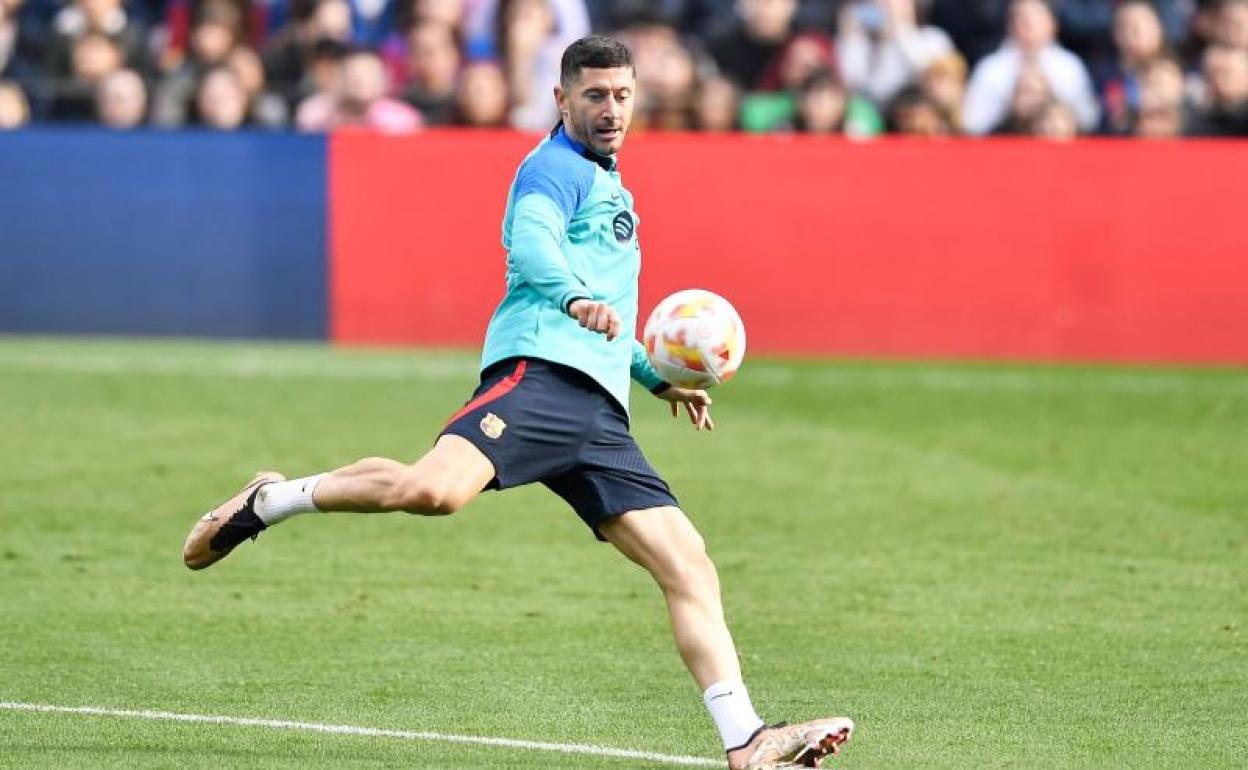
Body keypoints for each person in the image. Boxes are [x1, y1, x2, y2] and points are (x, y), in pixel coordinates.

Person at [183, 34, 853, 770]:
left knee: (688, 564)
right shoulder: (551, 170)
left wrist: (655, 377)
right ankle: (272, 500)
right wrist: (571, 296)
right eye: (594, 95)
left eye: (622, 95)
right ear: (561, 98)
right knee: (432, 491)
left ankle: (746, 739)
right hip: (537, 378)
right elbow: (533, 248)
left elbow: (612, 316)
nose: (610, 110)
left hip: (598, 415)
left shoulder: (611, 185)